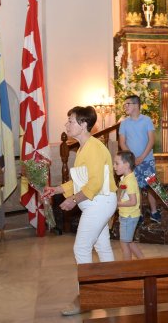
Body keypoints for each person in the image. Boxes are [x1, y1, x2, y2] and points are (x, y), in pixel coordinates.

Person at [43, 106, 117, 316]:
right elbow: (79, 180)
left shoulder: (93, 147)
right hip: (98, 203)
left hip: (99, 202)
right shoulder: (84, 147)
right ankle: (112, 291)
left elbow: (93, 183)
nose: (67, 125)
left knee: (81, 248)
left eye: (71, 121)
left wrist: (73, 200)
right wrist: (57, 190)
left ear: (84, 124)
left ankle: (86, 297)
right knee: (102, 246)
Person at [119, 95, 160, 223]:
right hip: (132, 162)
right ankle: (138, 213)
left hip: (147, 159)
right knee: (134, 187)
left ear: (136, 105)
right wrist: (132, 158)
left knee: (150, 187)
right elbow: (122, 142)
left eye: (128, 104)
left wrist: (142, 157)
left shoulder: (146, 120)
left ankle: (154, 212)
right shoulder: (124, 123)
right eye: (124, 105)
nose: (125, 107)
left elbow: (152, 140)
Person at [113, 150, 144, 260]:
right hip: (128, 215)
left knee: (124, 244)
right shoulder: (125, 178)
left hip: (128, 216)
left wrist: (117, 203)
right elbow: (121, 194)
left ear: (126, 165)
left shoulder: (129, 180)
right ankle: (143, 261)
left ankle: (127, 268)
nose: (114, 166)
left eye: (117, 163)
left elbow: (133, 201)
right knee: (129, 241)